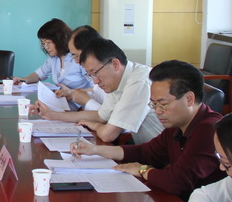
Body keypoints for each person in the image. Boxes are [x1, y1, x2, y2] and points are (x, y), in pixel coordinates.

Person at [71, 60, 224, 201]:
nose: (157, 111)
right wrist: (95, 150)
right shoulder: (178, 123)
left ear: (189, 99)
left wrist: (143, 170)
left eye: (163, 104)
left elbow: (177, 182)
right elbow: (146, 152)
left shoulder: (210, 131)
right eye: (153, 104)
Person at [32, 37, 163, 143]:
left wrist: (95, 126)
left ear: (115, 64)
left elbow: (108, 135)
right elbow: (101, 116)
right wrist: (51, 115)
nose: (95, 81)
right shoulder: (117, 80)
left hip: (163, 159)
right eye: (90, 75)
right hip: (147, 150)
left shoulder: (138, 81)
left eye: (95, 73)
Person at [12, 18, 91, 98]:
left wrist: (71, 92)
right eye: (43, 43)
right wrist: (24, 80)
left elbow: (95, 89)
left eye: (49, 42)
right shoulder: (54, 58)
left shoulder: (78, 58)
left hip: (80, 102)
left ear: (61, 39)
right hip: (61, 100)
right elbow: (39, 74)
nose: (46, 47)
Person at [64, 25, 106, 109]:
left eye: (77, 56)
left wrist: (86, 101)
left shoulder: (107, 72)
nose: (77, 61)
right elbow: (96, 92)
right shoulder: (95, 72)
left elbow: (105, 115)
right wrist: (72, 94)